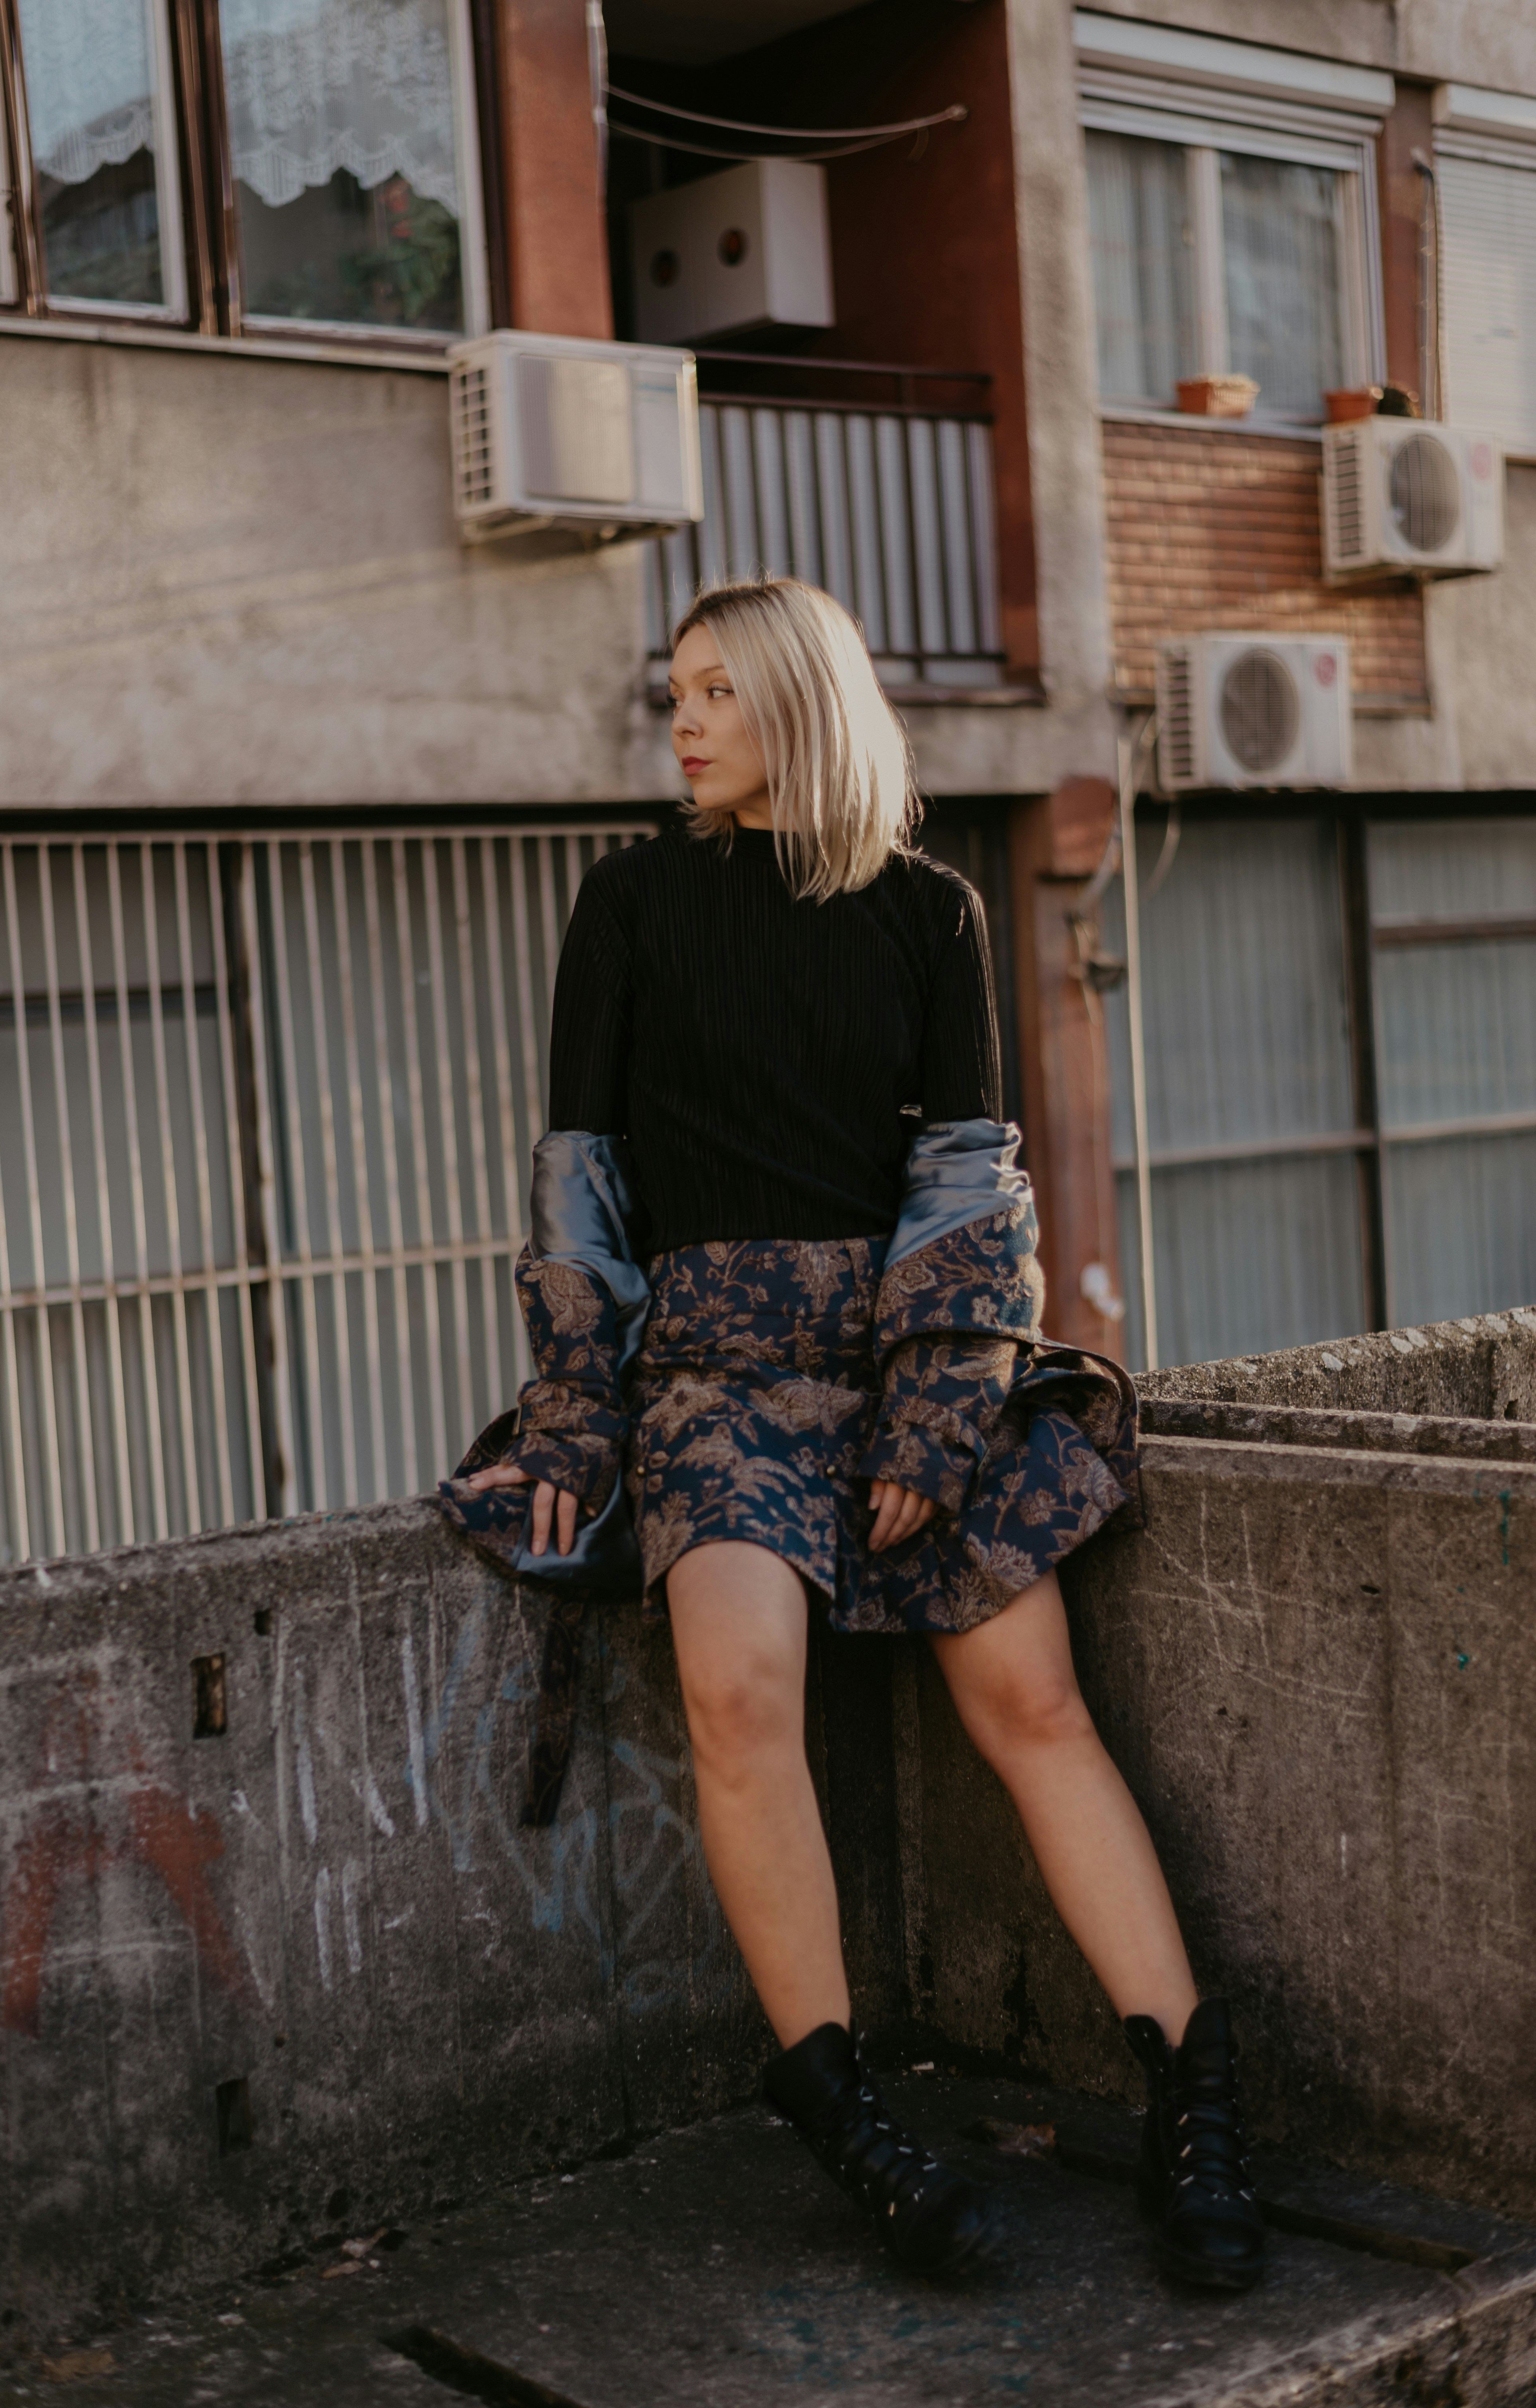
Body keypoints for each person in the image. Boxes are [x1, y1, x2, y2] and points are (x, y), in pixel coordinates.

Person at [440, 577, 1263, 2292]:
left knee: (1028, 1698)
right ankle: (852, 2123)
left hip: (904, 1361)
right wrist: (577, 1415)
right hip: (715, 1377)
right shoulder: (628, 902)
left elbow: (966, 1180)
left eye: (718, 692)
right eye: (675, 691)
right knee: (740, 1695)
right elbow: (580, 1187)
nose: (682, 722)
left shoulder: (926, 911)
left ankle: (1192, 2099)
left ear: (801, 703)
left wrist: (940, 1407)